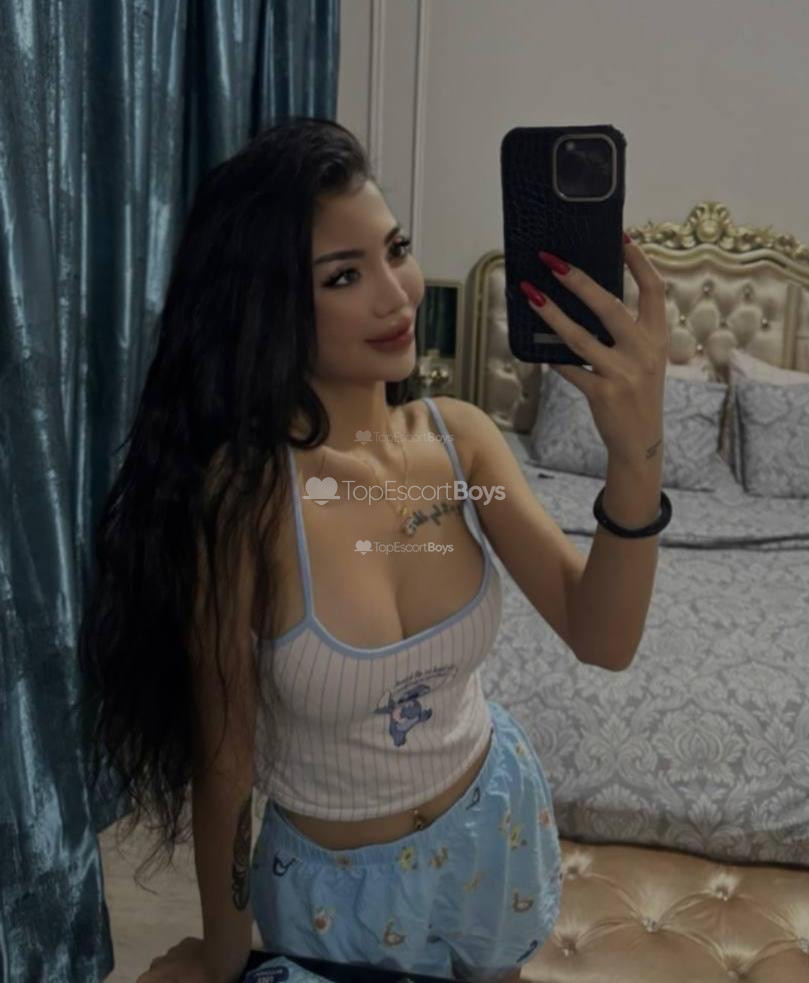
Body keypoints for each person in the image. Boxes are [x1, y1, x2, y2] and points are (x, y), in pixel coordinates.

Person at [76, 117, 568, 983]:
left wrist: (632, 452)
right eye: (344, 275)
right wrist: (223, 955)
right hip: (334, 895)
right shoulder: (245, 499)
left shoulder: (461, 442)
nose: (397, 295)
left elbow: (601, 631)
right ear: (267, 309)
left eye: (395, 251)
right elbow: (224, 758)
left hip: (494, 822)